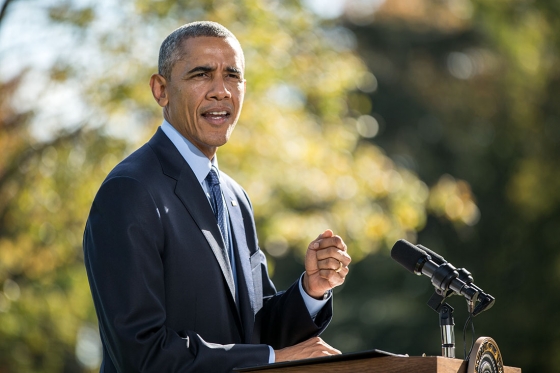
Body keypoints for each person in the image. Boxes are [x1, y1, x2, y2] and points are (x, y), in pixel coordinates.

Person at [83, 21, 351, 372]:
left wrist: (310, 290)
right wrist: (273, 360)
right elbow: (141, 354)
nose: (221, 91)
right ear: (161, 90)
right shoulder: (130, 190)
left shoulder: (235, 198)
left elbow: (253, 329)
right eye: (201, 74)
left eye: (233, 76)